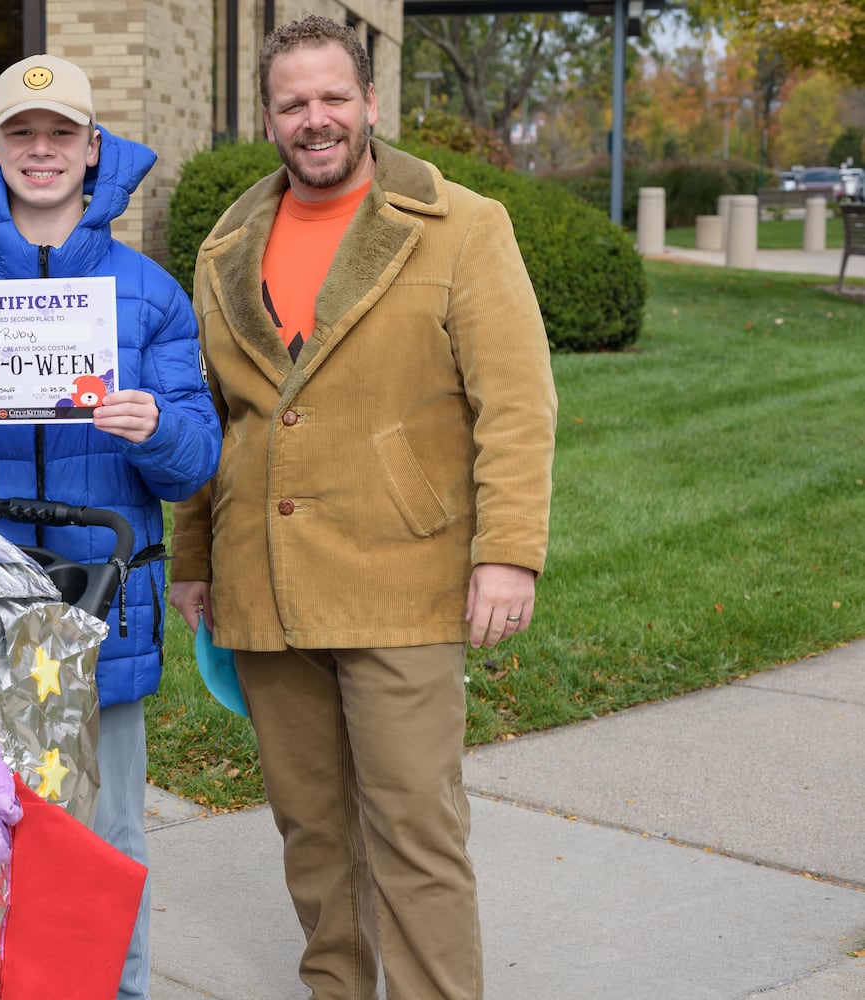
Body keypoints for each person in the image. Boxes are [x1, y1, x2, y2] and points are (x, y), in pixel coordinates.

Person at [168, 15, 557, 1000]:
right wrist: (194, 558)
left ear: (371, 103)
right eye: (293, 102)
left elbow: (516, 402)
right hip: (264, 588)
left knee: (414, 827)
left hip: (402, 580)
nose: (316, 119)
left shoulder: (460, 225)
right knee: (310, 829)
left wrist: (506, 551)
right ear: (267, 117)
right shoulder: (224, 247)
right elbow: (213, 419)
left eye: (333, 97)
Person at [0, 53, 222, 1000]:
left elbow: (197, 461)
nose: (42, 152)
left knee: (106, 841)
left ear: (93, 148)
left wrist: (158, 428)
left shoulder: (148, 294)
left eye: (61, 134)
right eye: (22, 135)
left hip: (102, 614)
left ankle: (119, 990)